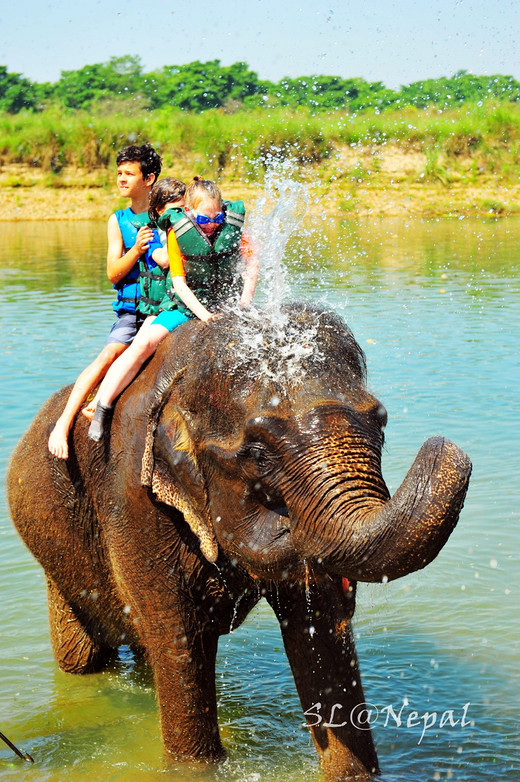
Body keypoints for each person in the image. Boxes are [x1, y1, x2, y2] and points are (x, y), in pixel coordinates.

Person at [87, 177, 259, 442]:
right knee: (144, 344)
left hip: (228, 303)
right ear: (189, 213)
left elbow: (252, 264)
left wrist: (245, 302)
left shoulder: (232, 225)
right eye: (204, 220)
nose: (212, 225)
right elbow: (178, 283)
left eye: (216, 217)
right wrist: (205, 316)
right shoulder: (176, 232)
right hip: (188, 305)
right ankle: (104, 406)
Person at [48, 143, 164, 459]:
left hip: (165, 306)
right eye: (119, 174)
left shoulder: (168, 213)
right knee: (109, 354)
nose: (121, 179)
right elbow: (113, 273)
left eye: (129, 173)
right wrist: (135, 252)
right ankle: (63, 421)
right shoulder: (118, 220)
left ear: (149, 178)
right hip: (132, 311)